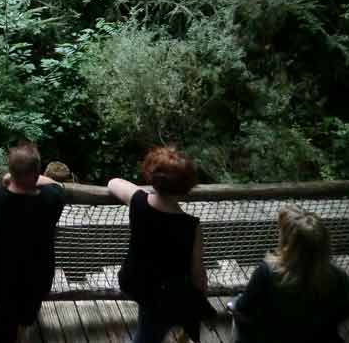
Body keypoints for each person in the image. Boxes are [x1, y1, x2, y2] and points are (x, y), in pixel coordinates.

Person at [108, 146, 213, 343]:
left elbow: (113, 183)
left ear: (152, 178)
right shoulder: (191, 226)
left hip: (135, 280)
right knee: (150, 334)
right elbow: (198, 273)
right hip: (164, 293)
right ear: (187, 186)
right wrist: (199, 297)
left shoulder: (139, 202)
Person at [0, 140, 66, 343]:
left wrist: (6, 179)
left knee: (0, 329)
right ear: (37, 174)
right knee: (26, 318)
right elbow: (57, 185)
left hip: (2, 284)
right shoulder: (51, 201)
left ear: (11, 171)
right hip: (36, 281)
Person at [231, 204, 349, 343]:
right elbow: (343, 314)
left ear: (289, 243)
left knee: (235, 307)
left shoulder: (267, 273)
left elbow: (244, 310)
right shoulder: (339, 278)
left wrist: (236, 303)